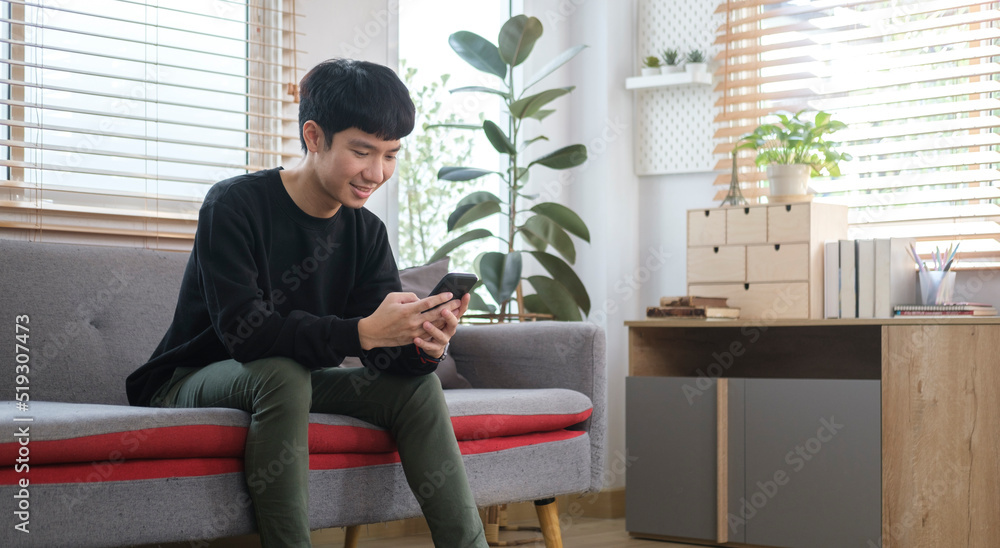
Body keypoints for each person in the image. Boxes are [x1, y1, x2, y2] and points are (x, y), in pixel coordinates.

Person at [126, 58, 488, 548]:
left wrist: (424, 343)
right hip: (189, 378)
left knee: (417, 390)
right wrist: (360, 333)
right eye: (362, 152)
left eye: (390, 155)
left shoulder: (365, 231)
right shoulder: (233, 205)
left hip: (285, 381)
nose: (376, 172)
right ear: (314, 136)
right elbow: (246, 334)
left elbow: (385, 358)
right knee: (282, 371)